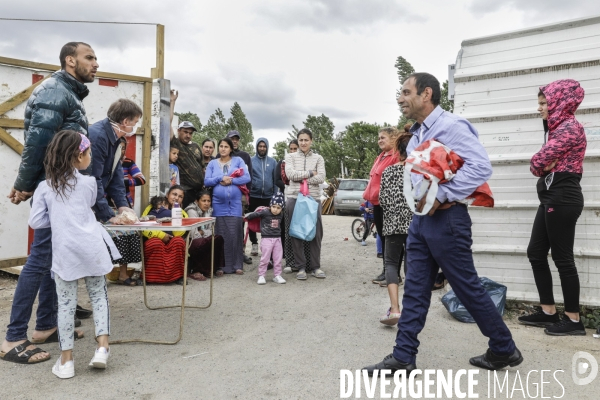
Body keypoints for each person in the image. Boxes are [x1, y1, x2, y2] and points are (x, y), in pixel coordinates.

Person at [364, 72, 522, 375]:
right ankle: (403, 356)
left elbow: (480, 167)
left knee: (466, 288)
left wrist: (442, 194)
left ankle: (503, 348)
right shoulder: (418, 134)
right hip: (421, 222)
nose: (400, 99)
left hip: (448, 220)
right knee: (416, 289)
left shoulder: (451, 126)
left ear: (426, 94)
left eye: (406, 92)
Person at [1, 42, 96, 364]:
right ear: (70, 61)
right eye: (90, 58)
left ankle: (45, 326)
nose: (95, 64)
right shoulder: (55, 91)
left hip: (60, 187)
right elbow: (39, 140)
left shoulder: (68, 94)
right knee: (40, 261)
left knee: (53, 259)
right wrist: (26, 183)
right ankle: (13, 337)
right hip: (52, 189)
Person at [28, 131, 115, 378]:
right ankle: (102, 348)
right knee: (99, 296)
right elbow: (87, 206)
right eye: (88, 153)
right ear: (79, 156)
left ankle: (66, 361)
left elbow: (35, 222)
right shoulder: (88, 183)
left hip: (66, 253)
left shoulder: (45, 187)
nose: (90, 157)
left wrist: (56, 218)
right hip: (92, 248)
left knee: (65, 305)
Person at [518, 80, 587, 336]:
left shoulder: (569, 128)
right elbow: (539, 165)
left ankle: (573, 320)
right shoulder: (556, 128)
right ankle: (548, 312)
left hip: (562, 197)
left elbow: (538, 161)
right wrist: (543, 164)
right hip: (551, 196)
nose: (540, 108)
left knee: (563, 259)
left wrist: (543, 164)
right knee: (535, 252)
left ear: (559, 102)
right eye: (540, 103)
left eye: (544, 103)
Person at [89, 98, 144, 287]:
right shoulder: (97, 136)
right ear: (125, 122)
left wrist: (123, 207)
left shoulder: (116, 140)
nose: (135, 127)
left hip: (93, 201)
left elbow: (116, 178)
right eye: (135, 122)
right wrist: (107, 215)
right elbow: (93, 179)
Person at [377, 133, 414, 325]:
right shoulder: (419, 172)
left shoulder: (389, 172)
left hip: (392, 224)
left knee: (391, 263)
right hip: (414, 225)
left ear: (398, 151)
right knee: (412, 265)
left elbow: (381, 199)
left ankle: (395, 309)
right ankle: (410, 310)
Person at [285, 128, 326, 280]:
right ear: (298, 141)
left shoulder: (318, 158)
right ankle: (300, 267)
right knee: (296, 233)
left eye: (306, 140)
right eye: (300, 140)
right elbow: (290, 175)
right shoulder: (289, 157)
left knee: (316, 233)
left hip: (313, 199)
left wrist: (301, 178)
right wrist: (310, 173)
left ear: (311, 141)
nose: (303, 143)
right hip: (294, 198)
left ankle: (316, 266)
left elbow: (321, 177)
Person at [205, 138, 251, 274]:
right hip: (218, 205)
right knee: (220, 235)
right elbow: (207, 181)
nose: (223, 149)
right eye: (221, 146)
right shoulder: (213, 163)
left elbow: (246, 177)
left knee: (235, 234)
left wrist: (231, 181)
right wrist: (220, 178)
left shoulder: (238, 161)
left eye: (226, 146)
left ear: (231, 149)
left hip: (235, 205)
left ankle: (237, 265)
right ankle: (221, 266)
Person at [362, 127, 400, 285]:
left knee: (392, 239)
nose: (380, 140)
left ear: (393, 138)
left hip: (389, 204)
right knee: (383, 238)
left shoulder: (396, 156)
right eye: (379, 138)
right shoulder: (380, 157)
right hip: (377, 203)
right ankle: (386, 271)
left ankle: (394, 274)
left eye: (383, 137)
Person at [141, 185, 188, 284]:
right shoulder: (152, 207)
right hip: (154, 237)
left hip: (172, 239)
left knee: (178, 241)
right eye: (174, 194)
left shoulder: (183, 213)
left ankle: (178, 277)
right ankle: (149, 278)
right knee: (155, 243)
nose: (176, 198)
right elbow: (143, 226)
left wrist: (175, 215)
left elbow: (180, 232)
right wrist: (161, 235)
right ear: (167, 195)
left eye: (180, 196)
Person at [221, 130, 254, 265]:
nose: (234, 141)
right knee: (224, 223)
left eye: (236, 139)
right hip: (223, 195)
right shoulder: (220, 155)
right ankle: (225, 252)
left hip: (240, 195)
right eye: (231, 139)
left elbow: (249, 176)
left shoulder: (244, 156)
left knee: (239, 224)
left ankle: (241, 252)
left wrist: (247, 194)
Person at [169, 90, 204, 208]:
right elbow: (167, 122)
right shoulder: (175, 144)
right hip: (185, 192)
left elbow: (202, 167)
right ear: (179, 131)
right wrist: (172, 101)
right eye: (185, 132)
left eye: (190, 133)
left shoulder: (196, 146)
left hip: (199, 192)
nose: (188, 135)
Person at [245, 192, 286, 285]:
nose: (276, 210)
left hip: (277, 239)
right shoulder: (265, 212)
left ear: (282, 209)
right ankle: (261, 275)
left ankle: (277, 275)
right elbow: (255, 214)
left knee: (277, 258)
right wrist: (247, 217)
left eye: (279, 208)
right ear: (270, 205)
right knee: (265, 258)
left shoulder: (281, 215)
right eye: (274, 206)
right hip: (266, 239)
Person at [186, 191, 226, 280]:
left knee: (218, 238)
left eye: (208, 201)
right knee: (203, 242)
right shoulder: (192, 211)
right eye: (203, 201)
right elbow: (194, 234)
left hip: (203, 238)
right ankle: (196, 270)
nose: (206, 203)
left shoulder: (209, 211)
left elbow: (212, 231)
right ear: (197, 201)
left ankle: (213, 268)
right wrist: (205, 233)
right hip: (190, 242)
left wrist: (202, 232)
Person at [249, 138, 277, 256]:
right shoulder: (251, 161)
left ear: (267, 147)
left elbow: (275, 180)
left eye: (264, 146)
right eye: (260, 146)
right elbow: (248, 177)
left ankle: (268, 245)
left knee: (268, 221)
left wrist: (275, 195)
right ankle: (254, 243)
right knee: (251, 220)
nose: (262, 148)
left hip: (268, 196)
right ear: (257, 147)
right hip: (254, 195)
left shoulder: (273, 161)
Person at [276, 140, 299, 264]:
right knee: (286, 226)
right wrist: (288, 186)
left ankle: (299, 256)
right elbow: (276, 179)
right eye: (291, 149)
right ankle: (286, 254)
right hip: (286, 197)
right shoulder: (282, 162)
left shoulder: (302, 163)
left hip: (300, 198)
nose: (293, 151)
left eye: (296, 149)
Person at [119, 137, 146, 208]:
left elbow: (142, 179)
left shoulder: (128, 162)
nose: (121, 151)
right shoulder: (105, 162)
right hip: (107, 201)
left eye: (123, 148)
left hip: (125, 200)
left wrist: (123, 182)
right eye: (118, 148)